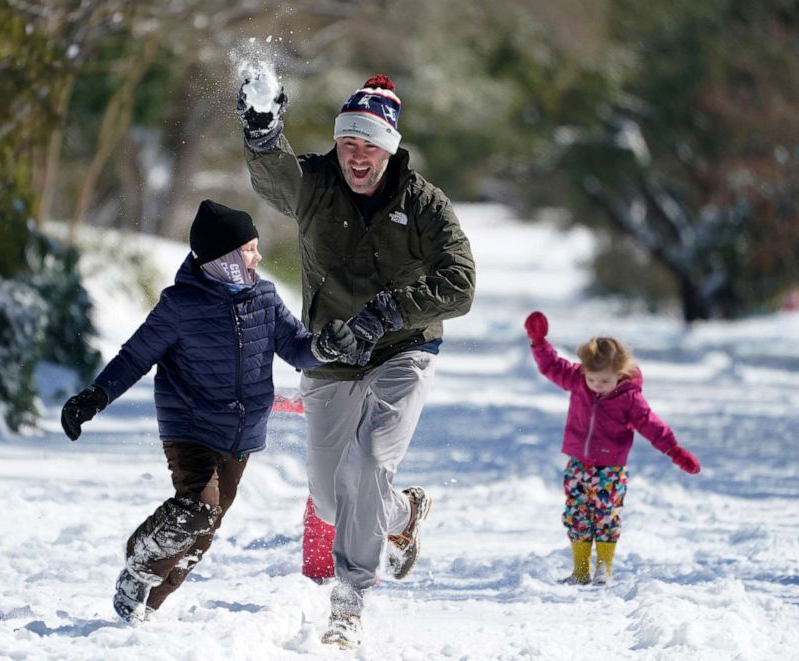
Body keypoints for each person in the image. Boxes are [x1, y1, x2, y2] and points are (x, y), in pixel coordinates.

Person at [237, 73, 475, 647]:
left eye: (369, 143)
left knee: (367, 463)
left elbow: (461, 284)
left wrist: (389, 312)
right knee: (328, 496)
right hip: (332, 351)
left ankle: (349, 599)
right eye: (348, 142)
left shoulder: (423, 204)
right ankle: (401, 515)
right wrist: (263, 131)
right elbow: (276, 180)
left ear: (389, 146)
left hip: (403, 348)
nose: (356, 155)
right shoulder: (316, 183)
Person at [59, 199, 357, 623]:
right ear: (224, 256)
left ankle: (144, 608)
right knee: (197, 508)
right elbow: (134, 357)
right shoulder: (180, 305)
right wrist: (94, 397)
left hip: (243, 434)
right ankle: (138, 567)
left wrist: (324, 347)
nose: (257, 256)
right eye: (249, 249)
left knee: (204, 531)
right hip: (191, 427)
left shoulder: (265, 298)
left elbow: (296, 347)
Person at [524, 310, 701, 586]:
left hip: (611, 469)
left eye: (604, 381)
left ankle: (604, 569)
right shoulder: (579, 381)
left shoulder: (630, 398)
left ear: (620, 373)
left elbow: (651, 424)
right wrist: (539, 342)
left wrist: (674, 450)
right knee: (577, 516)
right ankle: (581, 570)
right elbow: (552, 367)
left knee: (606, 517)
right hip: (578, 465)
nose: (596, 386)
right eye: (592, 379)